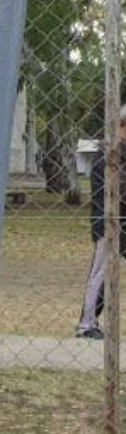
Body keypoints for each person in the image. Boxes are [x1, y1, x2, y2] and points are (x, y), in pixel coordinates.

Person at [77, 105, 126, 340]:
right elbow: (118, 189)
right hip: (109, 223)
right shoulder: (109, 156)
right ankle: (87, 324)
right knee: (101, 272)